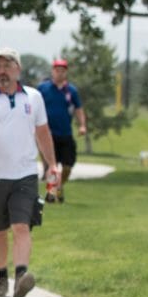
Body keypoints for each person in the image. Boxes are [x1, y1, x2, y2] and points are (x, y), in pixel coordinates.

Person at [0, 47, 58, 297]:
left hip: (25, 173)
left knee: (21, 225)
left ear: (18, 69)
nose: (2, 71)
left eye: (8, 66)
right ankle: (0, 277)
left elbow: (42, 133)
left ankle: (21, 276)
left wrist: (52, 164)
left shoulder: (34, 97)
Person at [37, 58, 86, 203]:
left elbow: (78, 109)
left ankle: (59, 186)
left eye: (62, 70)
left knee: (67, 166)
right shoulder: (43, 89)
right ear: (52, 71)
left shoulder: (71, 91)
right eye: (57, 70)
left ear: (66, 72)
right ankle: (51, 192)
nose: (59, 73)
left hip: (65, 133)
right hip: (48, 134)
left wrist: (82, 125)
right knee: (52, 166)